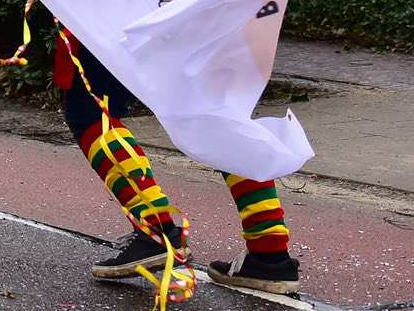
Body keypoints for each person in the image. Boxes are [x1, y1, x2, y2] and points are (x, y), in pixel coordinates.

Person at [56, 29, 302, 296]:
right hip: (202, 10)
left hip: (127, 11)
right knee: (216, 111)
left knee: (92, 112)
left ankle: (155, 229)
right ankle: (269, 251)